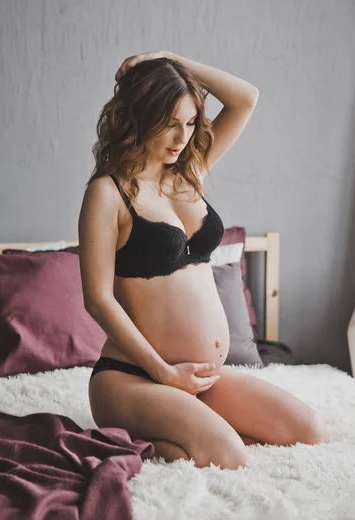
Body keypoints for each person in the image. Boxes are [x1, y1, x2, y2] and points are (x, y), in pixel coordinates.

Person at [78, 50, 329, 470]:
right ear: (141, 116)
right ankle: (146, 442)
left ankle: (189, 431)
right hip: (131, 378)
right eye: (170, 123)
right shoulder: (108, 193)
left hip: (195, 378)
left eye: (191, 122)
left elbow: (245, 98)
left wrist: (170, 61)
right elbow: (97, 300)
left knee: (310, 430)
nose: (182, 137)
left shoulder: (188, 172)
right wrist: (162, 372)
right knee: (228, 456)